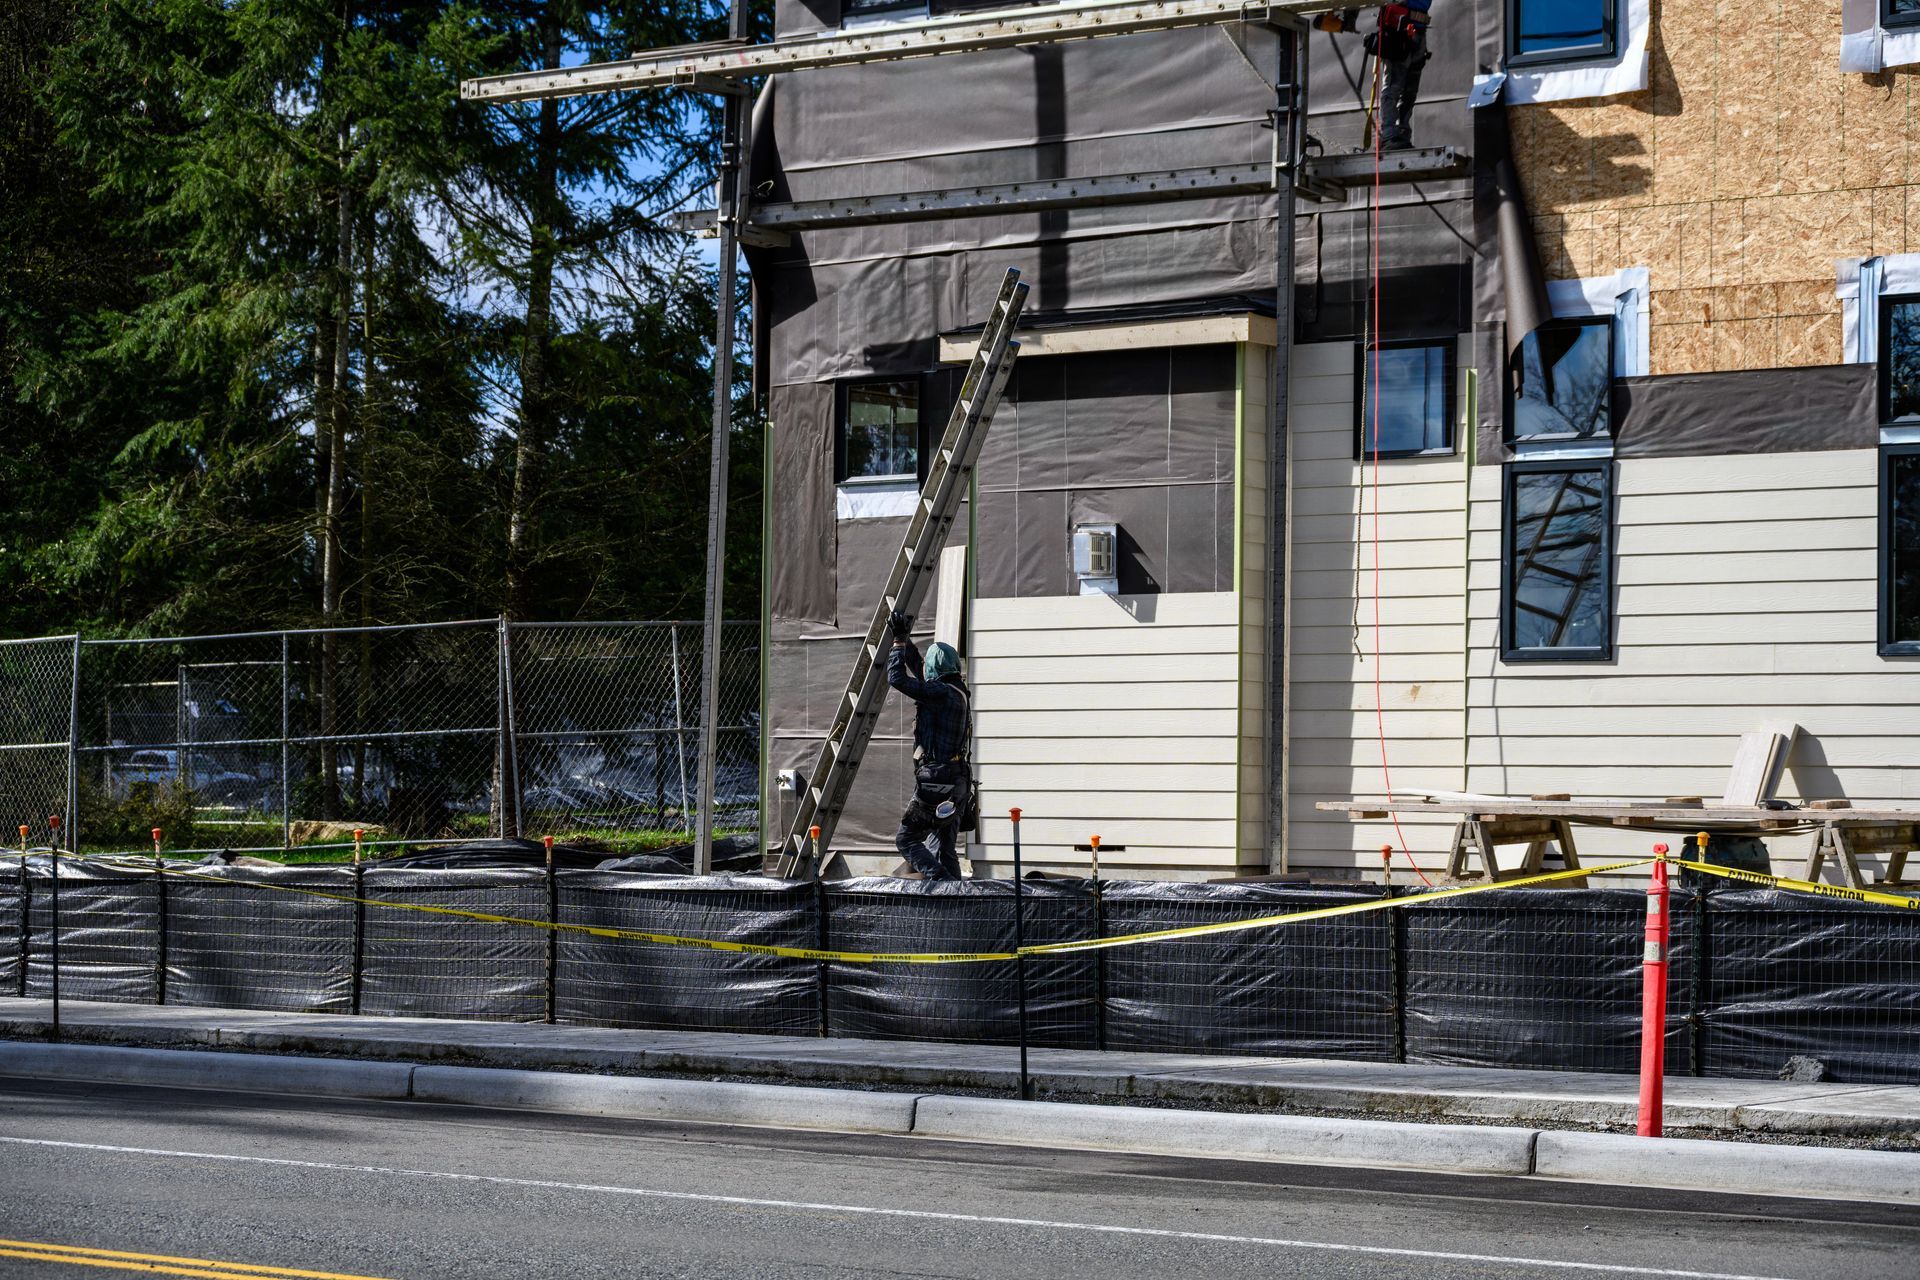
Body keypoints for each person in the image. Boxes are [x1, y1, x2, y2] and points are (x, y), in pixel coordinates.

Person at [885, 611, 973, 881]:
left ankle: (941, 883)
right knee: (945, 849)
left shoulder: (940, 693)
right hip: (958, 780)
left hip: (936, 782)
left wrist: (898, 644)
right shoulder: (956, 691)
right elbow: (925, 672)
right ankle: (957, 900)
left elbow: (897, 679)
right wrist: (904, 637)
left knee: (907, 840)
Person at [1314, 2, 1433, 152]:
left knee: (1409, 92)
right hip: (1399, 30)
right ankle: (1390, 135)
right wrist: (1349, 17)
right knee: (1393, 86)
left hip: (1418, 30)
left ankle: (1401, 135)